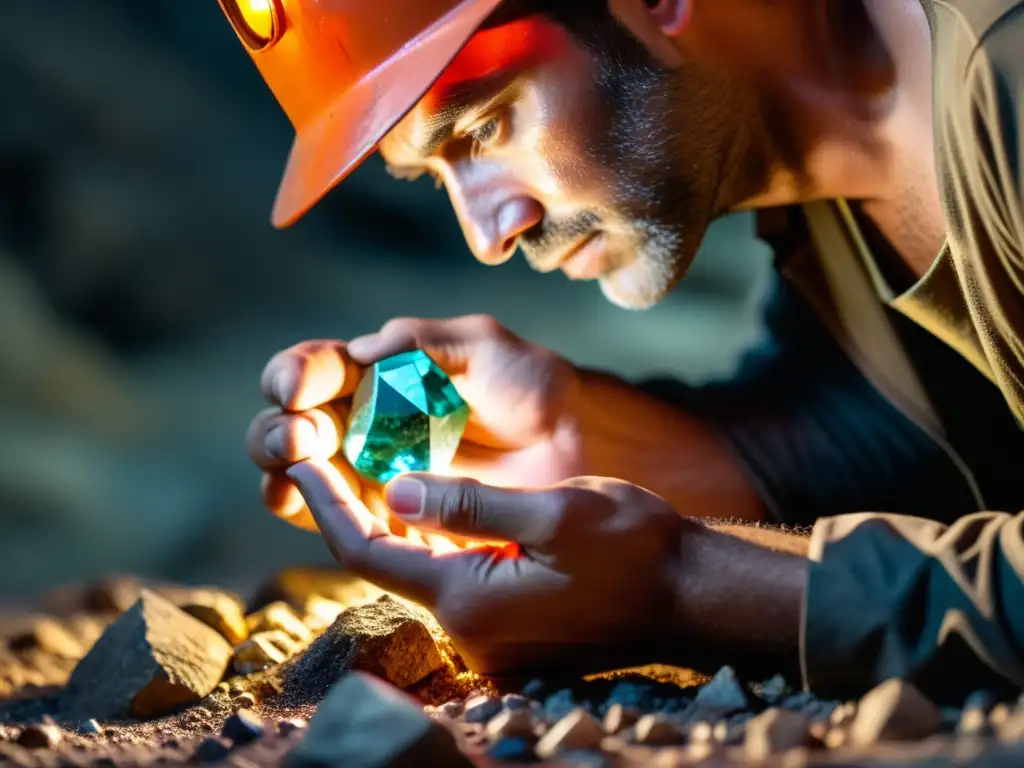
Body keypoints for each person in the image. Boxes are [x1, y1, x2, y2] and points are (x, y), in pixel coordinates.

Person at [223, 0, 1024, 702]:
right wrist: (579, 444)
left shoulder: (1008, 77)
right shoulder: (825, 207)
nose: (489, 235)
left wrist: (686, 588)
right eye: (439, 178)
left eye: (483, 127)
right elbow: (904, 447)